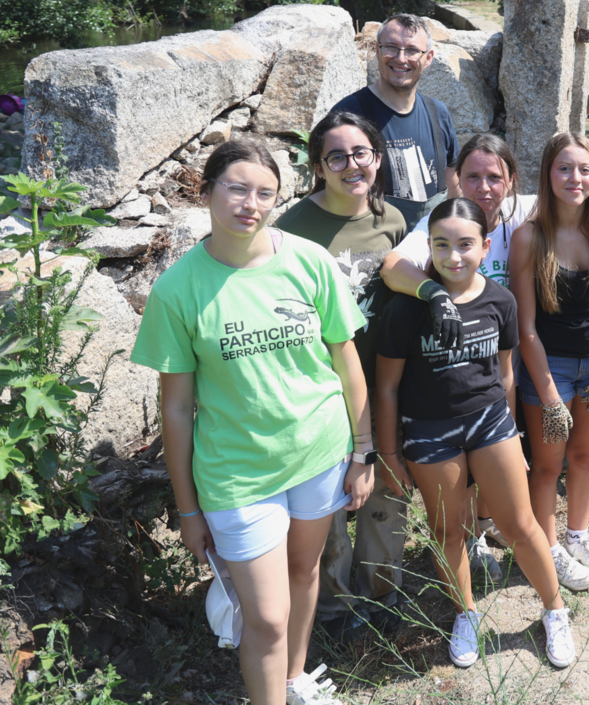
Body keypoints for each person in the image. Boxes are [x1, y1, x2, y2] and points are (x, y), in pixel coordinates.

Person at [131, 137, 374, 705]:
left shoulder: (309, 261)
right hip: (236, 474)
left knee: (305, 572)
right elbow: (177, 409)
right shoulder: (177, 290)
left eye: (266, 193)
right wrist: (188, 508)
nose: (251, 204)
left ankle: (294, 680)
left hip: (319, 453)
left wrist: (363, 452)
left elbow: (345, 361)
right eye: (237, 188)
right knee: (264, 617)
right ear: (207, 190)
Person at [373, 198, 576, 670]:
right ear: (429, 247)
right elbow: (386, 388)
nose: (454, 256)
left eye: (465, 245)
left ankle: (554, 610)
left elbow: (505, 374)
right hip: (428, 433)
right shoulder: (406, 310)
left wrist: (512, 436)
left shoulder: (500, 301)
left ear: (485, 247)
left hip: (490, 425)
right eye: (441, 245)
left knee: (519, 525)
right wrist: (388, 453)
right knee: (449, 530)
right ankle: (465, 612)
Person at [274, 112, 408, 640]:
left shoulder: (394, 220)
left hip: (385, 382)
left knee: (385, 496)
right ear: (318, 166)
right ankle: (333, 608)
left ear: (377, 158)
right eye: (336, 156)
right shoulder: (289, 228)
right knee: (327, 505)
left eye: (361, 154)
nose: (351, 165)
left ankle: (381, 597)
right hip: (320, 390)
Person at [380, 134, 536, 573]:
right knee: (460, 469)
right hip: (448, 364)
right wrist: (433, 293)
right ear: (454, 179)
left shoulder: (520, 211)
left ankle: (489, 523)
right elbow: (393, 266)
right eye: (472, 176)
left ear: (511, 182)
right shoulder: (441, 220)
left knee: (498, 456)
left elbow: (579, 195)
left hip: (502, 355)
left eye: (494, 178)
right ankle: (469, 537)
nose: (484, 188)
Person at [511, 133, 589, 590]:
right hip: (551, 368)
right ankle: (547, 548)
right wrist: (547, 395)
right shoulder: (529, 237)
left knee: (585, 457)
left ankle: (578, 535)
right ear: (548, 174)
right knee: (547, 466)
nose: (575, 178)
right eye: (564, 168)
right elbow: (525, 327)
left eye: (584, 169)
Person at [332, 13, 460, 233]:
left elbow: (453, 184)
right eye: (391, 47)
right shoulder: (347, 115)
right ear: (377, 50)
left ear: (428, 58)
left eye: (412, 50)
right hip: (373, 252)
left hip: (433, 252)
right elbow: (331, 190)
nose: (401, 59)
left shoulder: (438, 113)